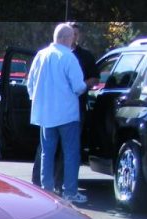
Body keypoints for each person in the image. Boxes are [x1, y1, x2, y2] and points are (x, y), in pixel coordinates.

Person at [31, 22, 101, 189]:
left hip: (46, 114)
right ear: (66, 38)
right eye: (72, 37)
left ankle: (45, 189)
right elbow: (78, 86)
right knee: (71, 153)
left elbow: (30, 84)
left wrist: (38, 100)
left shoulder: (41, 55)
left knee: (47, 153)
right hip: (67, 114)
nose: (73, 40)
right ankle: (70, 190)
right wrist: (85, 87)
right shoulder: (69, 57)